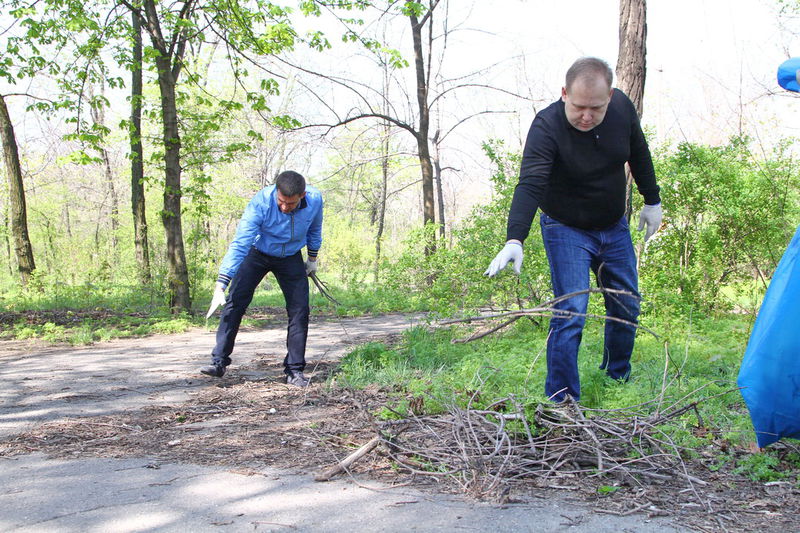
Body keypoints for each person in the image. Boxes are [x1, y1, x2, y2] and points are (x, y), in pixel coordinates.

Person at [484, 57, 662, 403]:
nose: (586, 116)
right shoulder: (547, 126)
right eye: (579, 106)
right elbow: (531, 183)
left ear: (609, 96)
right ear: (565, 93)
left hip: (613, 226)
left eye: (596, 108)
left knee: (626, 304)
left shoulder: (622, 108)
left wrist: (651, 200)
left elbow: (638, 151)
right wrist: (514, 238)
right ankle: (563, 401)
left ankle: (616, 378)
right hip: (565, 228)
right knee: (572, 311)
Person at [201, 170, 323, 387]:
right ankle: (218, 362)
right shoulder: (260, 203)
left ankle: (294, 371)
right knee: (234, 303)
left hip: (290, 256)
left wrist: (312, 258)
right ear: (276, 192)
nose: (285, 207)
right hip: (258, 253)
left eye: (291, 204)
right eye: (282, 202)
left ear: (302, 196)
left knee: (300, 310)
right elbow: (240, 243)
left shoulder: (315, 200)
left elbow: (315, 229)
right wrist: (222, 282)